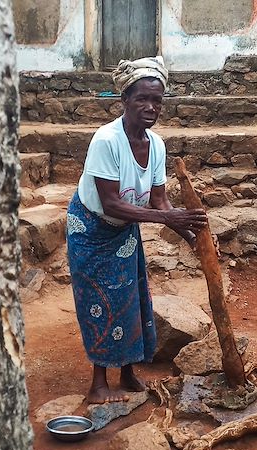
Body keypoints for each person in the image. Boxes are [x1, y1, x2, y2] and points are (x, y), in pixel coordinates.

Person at [66, 56, 208, 404]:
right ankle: (98, 382)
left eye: (157, 100)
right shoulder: (106, 140)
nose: (150, 107)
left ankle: (127, 372)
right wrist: (168, 220)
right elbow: (111, 203)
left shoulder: (156, 145)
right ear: (124, 101)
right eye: (142, 98)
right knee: (98, 302)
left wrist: (193, 238)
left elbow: (159, 201)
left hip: (125, 227)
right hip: (91, 228)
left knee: (132, 299)